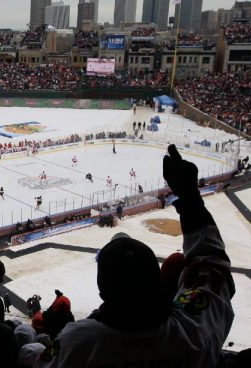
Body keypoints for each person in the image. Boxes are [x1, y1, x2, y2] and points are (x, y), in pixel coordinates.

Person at [36, 145, 235, 367]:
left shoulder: (76, 344)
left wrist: (189, 197)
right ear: (157, 282)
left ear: (102, 291)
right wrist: (190, 196)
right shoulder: (195, 332)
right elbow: (212, 263)